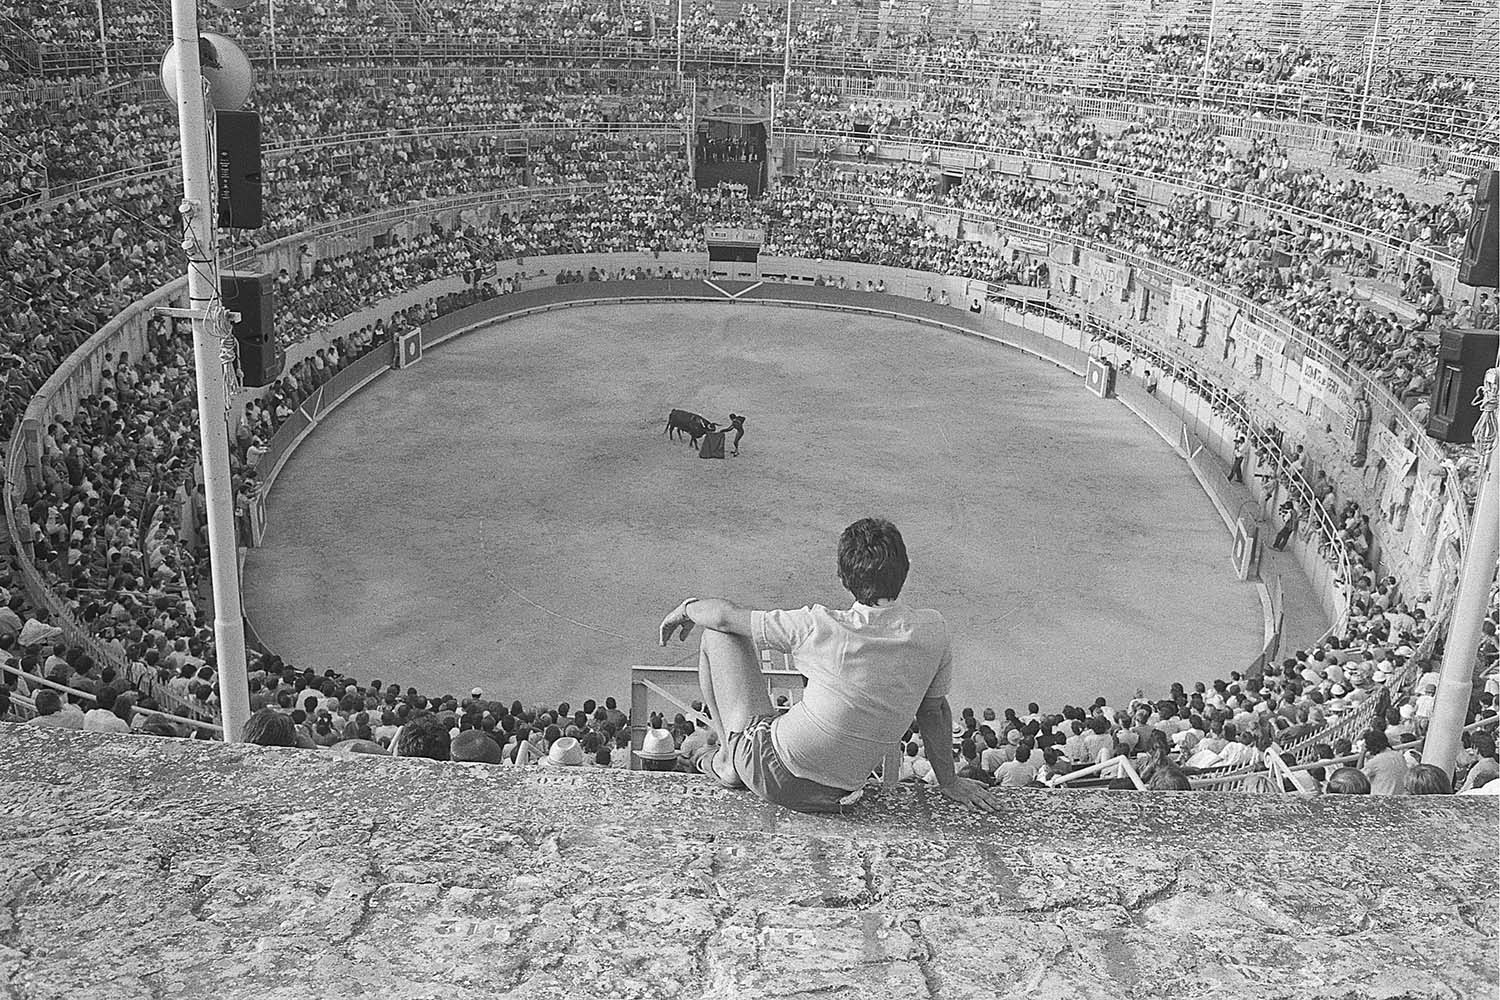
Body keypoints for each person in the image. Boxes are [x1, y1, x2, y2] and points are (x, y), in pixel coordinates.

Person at [658, 517, 999, 814]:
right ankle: (734, 758)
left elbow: (722, 616)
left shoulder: (820, 625)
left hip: (773, 771)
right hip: (841, 793)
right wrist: (949, 782)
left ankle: (729, 761)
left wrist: (687, 607)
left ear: (842, 576)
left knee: (718, 636)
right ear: (905, 570)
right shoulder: (933, 628)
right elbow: (934, 712)